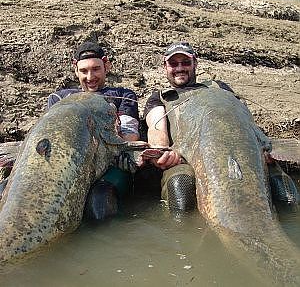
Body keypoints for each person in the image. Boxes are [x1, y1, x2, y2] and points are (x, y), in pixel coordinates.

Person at [143, 41, 299, 210]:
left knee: (285, 193)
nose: (180, 68)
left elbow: (243, 117)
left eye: (186, 62)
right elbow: (156, 125)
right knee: (180, 185)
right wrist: (162, 151)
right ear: (165, 66)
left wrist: (260, 144)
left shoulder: (219, 87)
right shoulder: (160, 97)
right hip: (186, 159)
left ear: (195, 63)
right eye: (173, 63)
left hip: (242, 152)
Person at [48, 41, 140, 220]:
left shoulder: (123, 95)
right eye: (84, 71)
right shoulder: (58, 98)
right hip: (67, 168)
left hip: (111, 167)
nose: (90, 77)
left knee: (99, 202)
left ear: (107, 65)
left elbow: (130, 134)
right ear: (75, 69)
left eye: (96, 69)